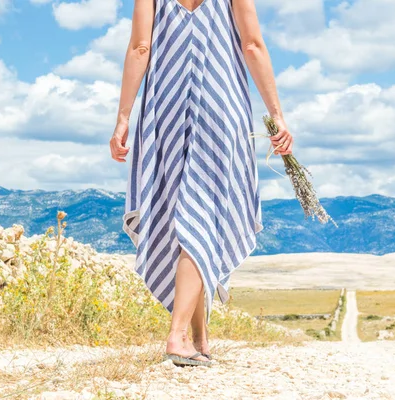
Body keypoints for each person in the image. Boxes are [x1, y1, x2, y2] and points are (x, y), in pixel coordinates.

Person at [109, 0, 293, 367]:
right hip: (219, 105)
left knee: (184, 217)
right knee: (202, 214)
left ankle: (199, 337)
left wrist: (123, 118)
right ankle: (177, 337)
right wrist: (276, 114)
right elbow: (252, 45)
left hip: (165, 108)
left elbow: (139, 47)